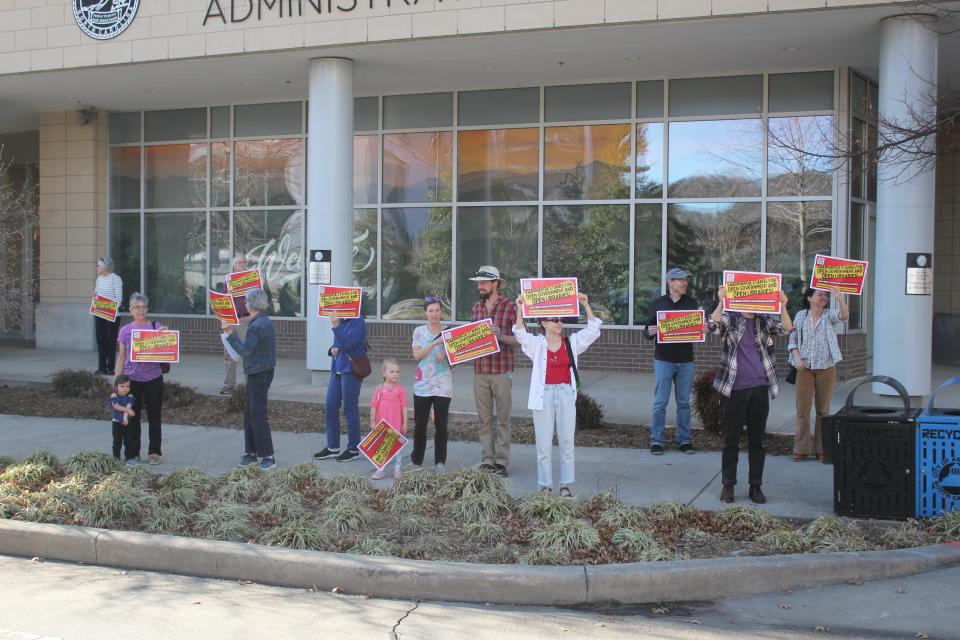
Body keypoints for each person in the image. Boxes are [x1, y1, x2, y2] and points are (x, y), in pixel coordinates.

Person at [709, 286, 793, 504]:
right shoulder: (732, 318)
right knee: (731, 440)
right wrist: (721, 301)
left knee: (757, 440)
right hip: (735, 389)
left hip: (759, 388)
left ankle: (755, 486)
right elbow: (713, 325)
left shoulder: (764, 320)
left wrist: (783, 306)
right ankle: (728, 485)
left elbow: (787, 329)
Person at [514, 293, 600, 496]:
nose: (560, 322)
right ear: (543, 322)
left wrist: (586, 305)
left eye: (562, 319)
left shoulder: (572, 343)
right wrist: (520, 308)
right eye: (555, 319)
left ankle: (565, 486)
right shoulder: (537, 344)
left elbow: (593, 330)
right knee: (543, 444)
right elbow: (520, 334)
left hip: (565, 394)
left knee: (567, 441)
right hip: (543, 395)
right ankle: (544, 485)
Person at [788, 286, 849, 462]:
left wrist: (840, 299)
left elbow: (843, 316)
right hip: (804, 368)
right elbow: (792, 339)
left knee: (823, 410)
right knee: (802, 410)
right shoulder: (801, 315)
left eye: (825, 295)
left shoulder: (828, 315)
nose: (824, 297)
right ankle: (801, 448)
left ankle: (821, 449)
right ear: (809, 298)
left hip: (826, 367)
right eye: (819, 295)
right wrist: (796, 358)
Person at [469, 266, 519, 476]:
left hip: (501, 371)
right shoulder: (475, 309)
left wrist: (499, 335)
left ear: (495, 283)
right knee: (484, 419)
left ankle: (502, 462)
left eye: (483, 282)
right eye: (478, 283)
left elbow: (519, 340)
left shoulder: (510, 307)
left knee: (504, 419)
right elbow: (471, 339)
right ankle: (487, 460)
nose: (479, 286)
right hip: (480, 370)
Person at [644, 267, 699, 455]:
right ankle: (656, 440)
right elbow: (647, 330)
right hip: (664, 360)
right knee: (660, 402)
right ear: (670, 283)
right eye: (680, 280)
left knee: (684, 403)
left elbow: (696, 327)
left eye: (686, 280)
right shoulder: (658, 304)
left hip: (686, 360)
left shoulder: (692, 304)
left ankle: (684, 440)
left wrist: (702, 327)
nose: (684, 283)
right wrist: (650, 331)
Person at [222, 288, 277, 472]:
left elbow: (245, 351)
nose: (244, 303)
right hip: (261, 371)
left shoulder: (257, 326)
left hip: (259, 372)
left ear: (252, 304)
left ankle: (268, 456)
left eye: (246, 301)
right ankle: (251, 452)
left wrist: (229, 333)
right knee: (250, 413)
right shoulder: (262, 321)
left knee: (257, 413)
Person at [114, 293, 166, 465]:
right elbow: (121, 356)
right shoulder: (125, 331)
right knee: (132, 416)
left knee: (154, 415)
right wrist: (117, 381)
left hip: (153, 377)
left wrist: (165, 337)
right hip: (132, 379)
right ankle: (132, 452)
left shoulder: (155, 327)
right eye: (137, 307)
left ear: (147, 309)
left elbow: (167, 348)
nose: (141, 310)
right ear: (131, 310)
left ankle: (154, 452)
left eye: (144, 307)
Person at [313, 313, 368, 463]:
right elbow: (338, 344)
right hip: (337, 369)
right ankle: (332, 448)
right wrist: (331, 350)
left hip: (350, 370)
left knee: (350, 409)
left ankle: (353, 449)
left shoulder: (357, 321)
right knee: (330, 407)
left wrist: (336, 326)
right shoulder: (342, 320)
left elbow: (348, 344)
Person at [410, 297, 452, 473]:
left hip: (443, 384)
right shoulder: (419, 331)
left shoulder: (449, 331)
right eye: (431, 311)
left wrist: (446, 352)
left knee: (441, 425)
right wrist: (436, 342)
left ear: (441, 311)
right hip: (423, 385)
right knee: (420, 425)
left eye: (437, 310)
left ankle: (440, 462)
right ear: (425, 313)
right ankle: (416, 460)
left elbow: (459, 355)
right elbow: (417, 355)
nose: (434, 314)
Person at [369, 358, 408, 480]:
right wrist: (372, 421)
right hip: (382, 424)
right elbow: (374, 406)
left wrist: (405, 423)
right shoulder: (379, 389)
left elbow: (404, 407)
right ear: (384, 373)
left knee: (397, 448)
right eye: (392, 371)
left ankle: (397, 469)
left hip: (396, 424)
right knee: (382, 447)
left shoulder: (400, 389)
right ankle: (381, 469)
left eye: (397, 371)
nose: (395, 374)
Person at [219, 254, 252, 395]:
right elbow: (222, 301)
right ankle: (228, 386)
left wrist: (251, 317)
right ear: (234, 265)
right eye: (239, 262)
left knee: (248, 354)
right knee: (229, 355)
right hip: (232, 321)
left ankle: (249, 387)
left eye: (244, 262)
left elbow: (260, 301)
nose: (242, 264)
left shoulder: (252, 281)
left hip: (246, 320)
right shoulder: (229, 281)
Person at [93, 257, 123, 375]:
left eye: (99, 266)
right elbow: (97, 293)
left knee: (110, 341)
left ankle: (111, 368)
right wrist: (94, 295)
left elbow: (119, 299)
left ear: (106, 267)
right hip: (99, 313)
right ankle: (101, 368)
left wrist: (109, 311)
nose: (97, 268)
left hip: (112, 315)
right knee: (100, 340)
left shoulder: (116, 279)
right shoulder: (99, 279)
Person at [108, 374, 136, 465]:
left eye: (127, 386)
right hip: (117, 422)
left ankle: (129, 458)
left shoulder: (130, 396)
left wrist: (125, 419)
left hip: (127, 422)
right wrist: (128, 410)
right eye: (122, 386)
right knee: (117, 441)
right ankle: (116, 457)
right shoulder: (114, 395)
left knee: (128, 440)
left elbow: (128, 407)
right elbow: (116, 406)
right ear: (116, 387)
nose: (125, 389)